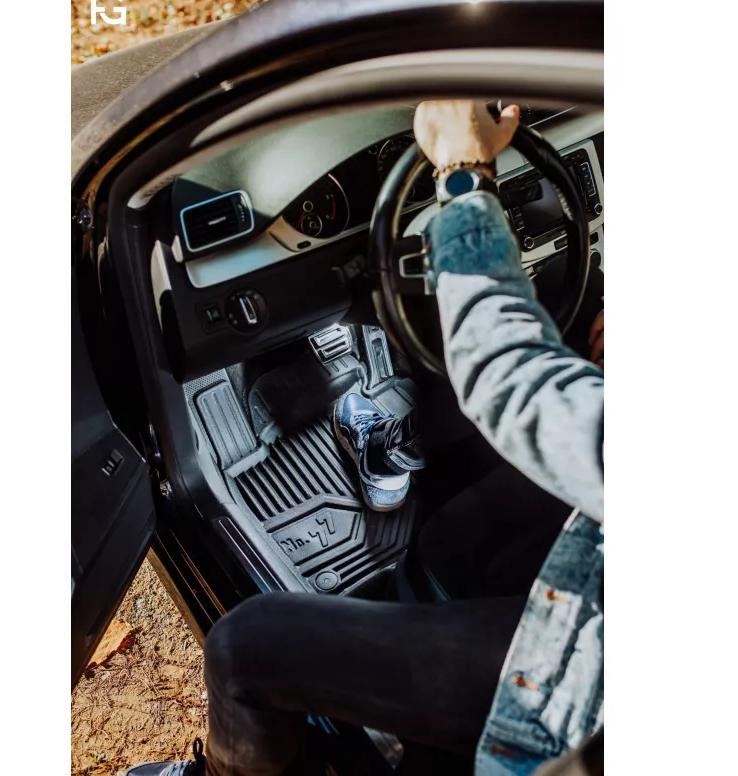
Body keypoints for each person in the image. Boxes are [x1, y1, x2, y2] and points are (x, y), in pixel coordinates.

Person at [127, 101, 604, 776]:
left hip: (577, 697)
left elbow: (507, 376)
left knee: (246, 648)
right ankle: (399, 537)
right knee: (456, 535)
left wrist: (464, 177)